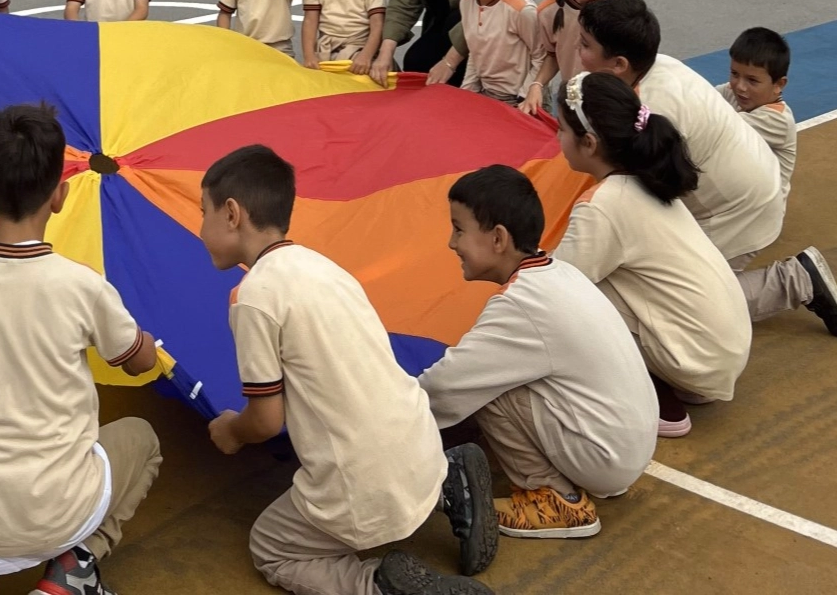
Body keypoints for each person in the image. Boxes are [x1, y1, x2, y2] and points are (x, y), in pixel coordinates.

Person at [201, 145, 498, 595]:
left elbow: (265, 421)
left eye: (202, 212)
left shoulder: (254, 297)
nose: (199, 228)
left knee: (271, 546)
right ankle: (449, 482)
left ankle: (379, 586)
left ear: (231, 213)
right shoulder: (323, 266)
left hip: (365, 485)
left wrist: (231, 431)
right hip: (421, 442)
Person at [0, 104, 162, 595]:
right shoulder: (82, 285)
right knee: (142, 438)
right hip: (61, 509)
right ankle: (72, 572)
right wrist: (141, 339)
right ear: (60, 195)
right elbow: (139, 363)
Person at [420, 165, 657, 540]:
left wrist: (387, 415)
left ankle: (552, 498)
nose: (452, 243)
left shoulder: (523, 303)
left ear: (498, 238)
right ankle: (571, 474)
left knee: (487, 387)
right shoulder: (559, 272)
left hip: (606, 456)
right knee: (492, 375)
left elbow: (445, 387)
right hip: (625, 446)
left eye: (459, 229)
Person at [553, 72, 753, 438]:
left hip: (696, 359)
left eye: (561, 130)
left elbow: (554, 288)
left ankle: (652, 396)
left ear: (589, 143)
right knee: (602, 274)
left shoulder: (604, 205)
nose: (557, 138)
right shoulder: (646, 181)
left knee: (567, 296)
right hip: (720, 352)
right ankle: (674, 376)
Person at [575, 0, 785, 265]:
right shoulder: (659, 64)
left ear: (619, 64)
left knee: (684, 287)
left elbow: (637, 196)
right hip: (752, 187)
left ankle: (791, 280)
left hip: (739, 214)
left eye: (585, 44)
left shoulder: (651, 110)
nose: (577, 49)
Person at [720, 28, 837, 337]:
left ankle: (795, 280)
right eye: (735, 74)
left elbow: (709, 128)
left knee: (699, 298)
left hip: (749, 220)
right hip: (730, 207)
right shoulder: (734, 95)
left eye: (752, 80)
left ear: (779, 85)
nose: (739, 86)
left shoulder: (774, 119)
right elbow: (700, 104)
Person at [521, 0, 620, 115]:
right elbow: (553, 55)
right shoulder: (548, 12)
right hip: (573, 103)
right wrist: (537, 85)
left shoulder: (614, 14)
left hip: (606, 104)